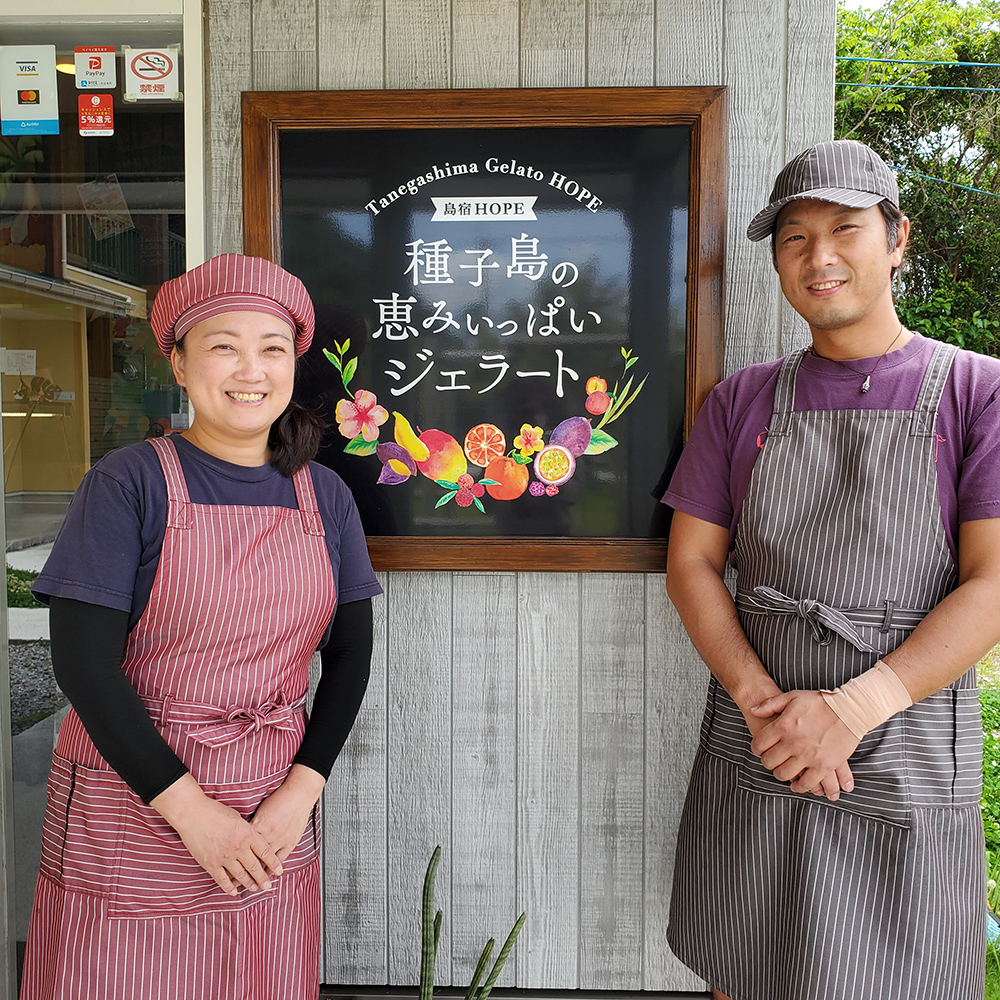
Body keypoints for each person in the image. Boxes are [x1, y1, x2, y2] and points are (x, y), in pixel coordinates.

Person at [662, 140, 1000, 1000]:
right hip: (760, 732)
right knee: (745, 963)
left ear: (896, 240)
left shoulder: (976, 392)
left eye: (845, 229)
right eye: (793, 238)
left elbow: (991, 582)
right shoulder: (739, 401)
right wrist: (765, 705)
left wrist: (853, 709)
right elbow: (693, 564)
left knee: (902, 975)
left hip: (905, 740)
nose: (819, 257)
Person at [20, 254, 382, 1000]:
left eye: (272, 348)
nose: (251, 369)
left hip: (270, 805)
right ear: (179, 365)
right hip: (135, 799)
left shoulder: (326, 497)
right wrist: (193, 814)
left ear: (294, 366)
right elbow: (83, 665)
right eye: (224, 345)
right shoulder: (128, 482)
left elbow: (349, 654)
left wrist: (300, 793)